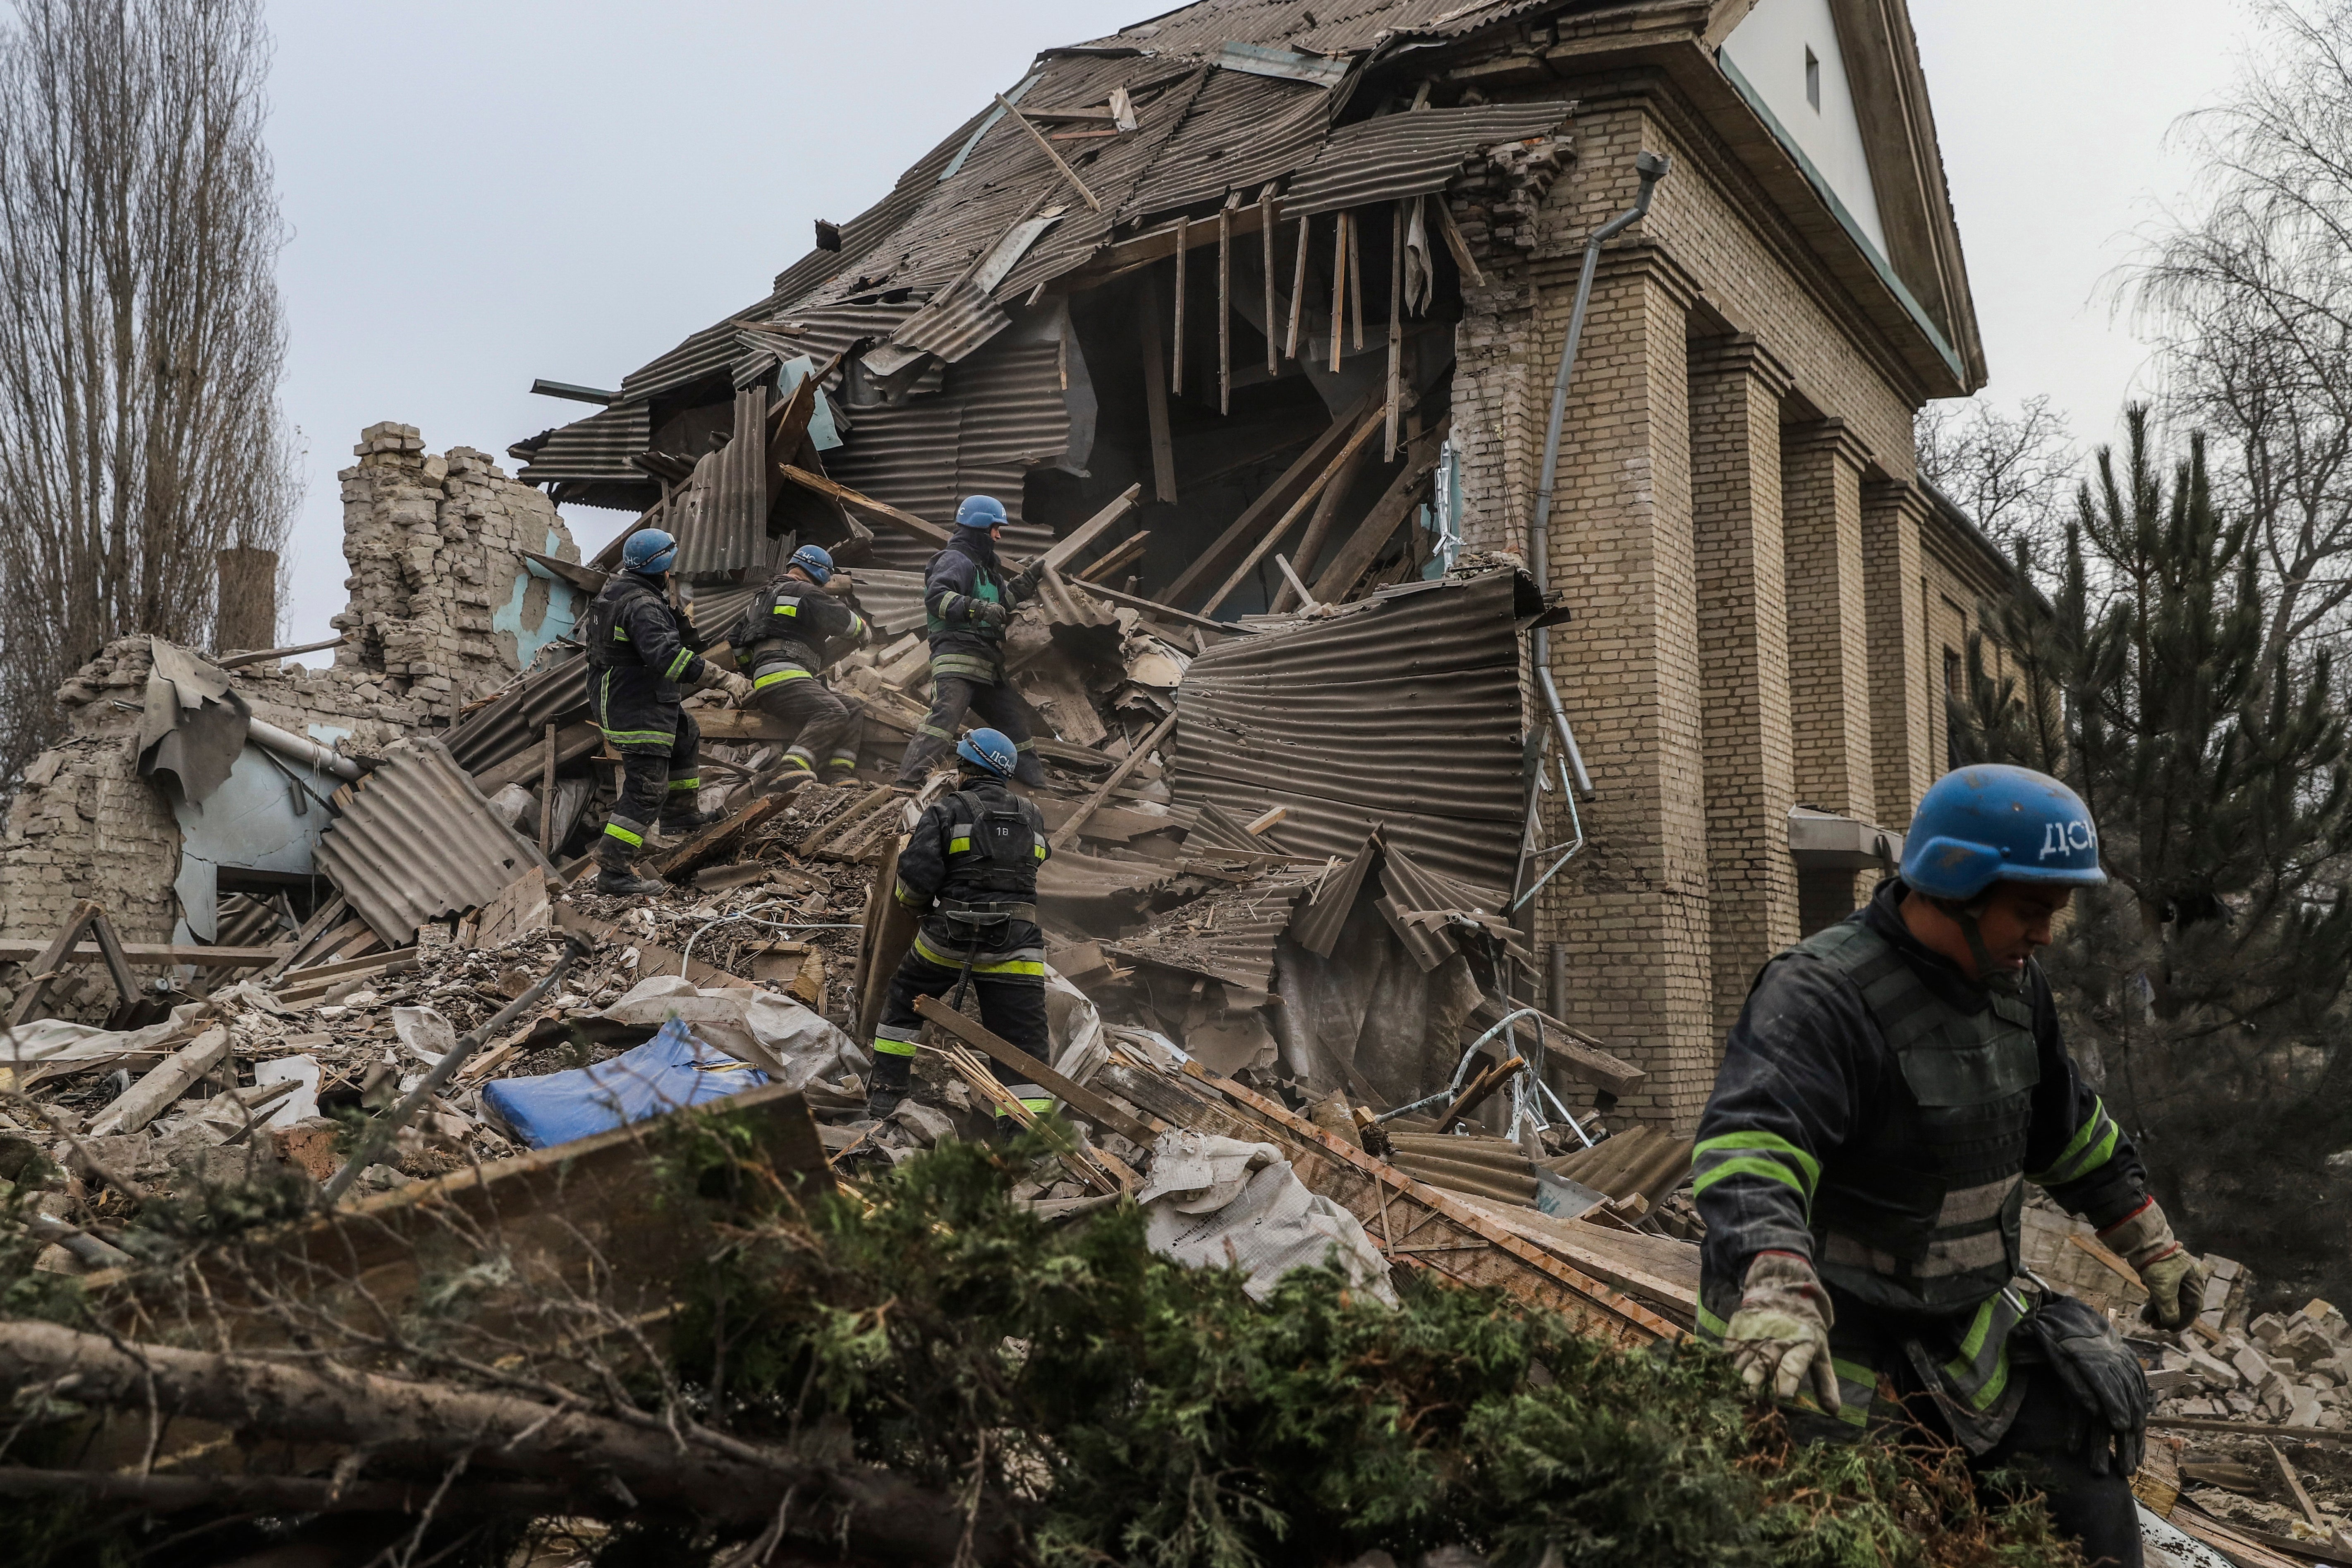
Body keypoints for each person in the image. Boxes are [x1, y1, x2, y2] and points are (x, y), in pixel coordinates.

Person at [1694, 764, 2204, 1568]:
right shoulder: (1820, 993)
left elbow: (2063, 1127)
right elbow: (1752, 1144)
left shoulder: (2012, 989)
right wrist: (1776, 1281)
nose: (2043, 933)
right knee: (1839, 1531)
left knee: (2086, 1489)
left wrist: (2149, 1239)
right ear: (1956, 884)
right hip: (1821, 1325)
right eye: (2030, 909)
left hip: (1960, 1323)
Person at [868, 728, 1052, 1120]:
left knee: (903, 997)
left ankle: (886, 1093)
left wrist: (913, 905)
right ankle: (1027, 1140)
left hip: (948, 939)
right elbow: (1038, 859)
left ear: (964, 767)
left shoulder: (946, 810)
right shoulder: (1032, 814)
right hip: (1017, 948)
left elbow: (916, 878)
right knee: (1023, 1045)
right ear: (1005, 773)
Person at [583, 527, 754, 896]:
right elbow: (669, 659)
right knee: (646, 787)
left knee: (685, 732)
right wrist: (723, 679)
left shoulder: (622, 592)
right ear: (661, 566)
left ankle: (680, 815)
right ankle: (613, 870)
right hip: (634, 704)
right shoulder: (642, 605)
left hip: (631, 695)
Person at [894, 495, 1048, 788]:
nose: (998, 536)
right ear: (979, 528)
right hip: (957, 658)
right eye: (995, 529)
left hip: (987, 666)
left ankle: (1038, 787)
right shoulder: (955, 560)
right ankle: (907, 783)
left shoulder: (987, 571)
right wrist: (978, 609)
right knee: (945, 718)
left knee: (1017, 724)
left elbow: (1001, 604)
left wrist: (1025, 583)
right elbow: (937, 598)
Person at [727, 543, 872, 787]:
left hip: (769, 685)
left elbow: (736, 643)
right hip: (787, 680)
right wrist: (865, 630)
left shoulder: (759, 601)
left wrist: (752, 671)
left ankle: (838, 775)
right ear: (822, 574)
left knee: (853, 708)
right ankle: (790, 768)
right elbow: (846, 623)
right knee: (833, 711)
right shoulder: (806, 592)